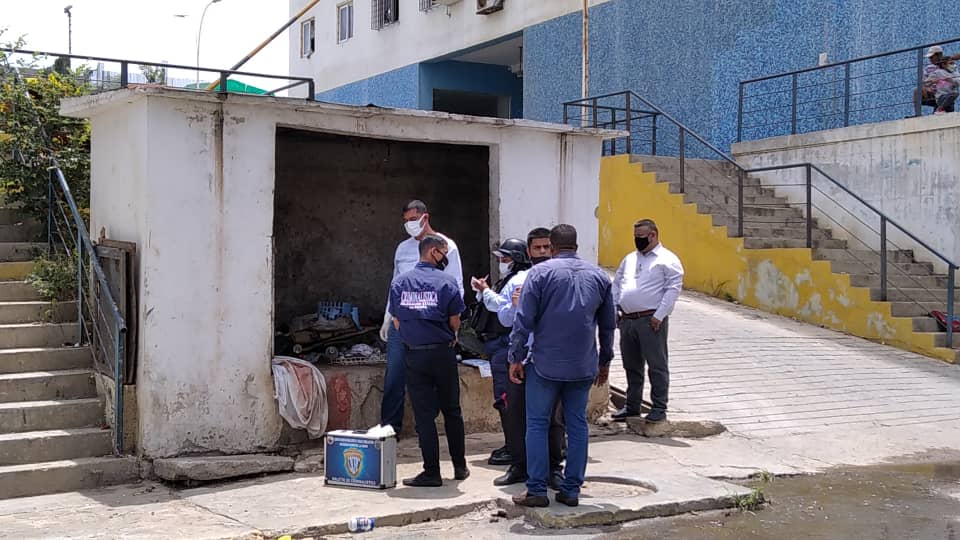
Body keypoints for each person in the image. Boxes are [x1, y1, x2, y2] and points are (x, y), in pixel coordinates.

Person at [508, 224, 616, 508]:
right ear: (576, 247)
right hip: (583, 365)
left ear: (552, 248)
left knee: (537, 423)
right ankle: (571, 490)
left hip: (545, 364)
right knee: (577, 424)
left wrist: (515, 356)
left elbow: (524, 320)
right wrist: (605, 361)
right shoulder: (600, 276)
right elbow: (607, 326)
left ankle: (536, 491)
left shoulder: (540, 274)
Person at [388, 234, 468, 487]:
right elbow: (455, 319)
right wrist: (450, 335)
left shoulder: (400, 283)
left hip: (415, 354)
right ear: (433, 252)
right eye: (444, 252)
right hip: (443, 353)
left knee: (424, 416)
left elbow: (397, 321)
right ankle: (460, 466)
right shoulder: (447, 282)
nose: (446, 257)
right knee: (452, 410)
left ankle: (432, 472)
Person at [380, 200, 464, 433]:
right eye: (405, 221)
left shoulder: (446, 246)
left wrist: (452, 325)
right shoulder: (402, 248)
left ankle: (427, 426)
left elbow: (456, 286)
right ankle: (389, 427)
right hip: (402, 320)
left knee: (434, 377)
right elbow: (394, 284)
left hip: (431, 322)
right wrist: (389, 316)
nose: (409, 224)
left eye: (412, 220)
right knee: (394, 373)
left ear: (425, 218)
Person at [496, 227, 568, 489]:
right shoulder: (517, 280)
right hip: (520, 357)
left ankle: (553, 468)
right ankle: (519, 466)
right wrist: (515, 304)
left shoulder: (562, 278)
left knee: (553, 416)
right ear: (528, 251)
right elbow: (503, 318)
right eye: (537, 248)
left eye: (547, 248)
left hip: (550, 357)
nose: (542, 252)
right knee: (516, 413)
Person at [611, 219, 684, 424]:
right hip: (627, 319)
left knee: (656, 365)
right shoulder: (630, 259)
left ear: (653, 235)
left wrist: (659, 315)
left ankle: (659, 407)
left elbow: (673, 288)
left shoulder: (667, 259)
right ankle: (632, 406)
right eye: (635, 236)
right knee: (631, 365)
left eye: (641, 237)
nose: (637, 240)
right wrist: (615, 308)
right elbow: (617, 284)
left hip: (650, 320)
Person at [470, 238, 532, 466]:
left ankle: (513, 447)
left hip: (506, 344)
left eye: (505, 258)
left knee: (506, 398)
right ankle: (514, 445)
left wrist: (485, 291)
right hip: (502, 344)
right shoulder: (512, 278)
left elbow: (501, 308)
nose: (502, 262)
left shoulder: (519, 279)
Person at [923, 46, 960, 112]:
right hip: (939, 95)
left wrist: (950, 80)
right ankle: (939, 109)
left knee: (948, 108)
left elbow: (958, 81)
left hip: (949, 95)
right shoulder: (936, 72)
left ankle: (939, 110)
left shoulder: (952, 70)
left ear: (939, 55)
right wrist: (929, 85)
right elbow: (926, 82)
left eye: (931, 57)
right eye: (929, 58)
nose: (930, 59)